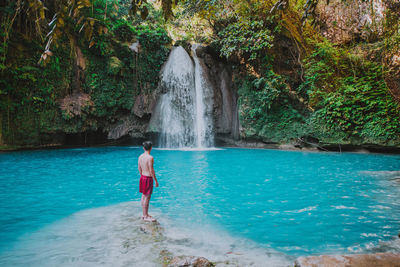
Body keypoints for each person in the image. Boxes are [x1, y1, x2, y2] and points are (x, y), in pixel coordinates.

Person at [138, 141, 159, 222]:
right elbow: (151, 170)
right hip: (148, 178)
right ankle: (145, 216)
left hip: (142, 177)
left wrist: (141, 176)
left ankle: (144, 214)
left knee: (143, 196)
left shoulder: (140, 156)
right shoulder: (150, 158)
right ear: (151, 148)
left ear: (143, 148)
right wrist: (155, 180)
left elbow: (139, 167)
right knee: (147, 197)